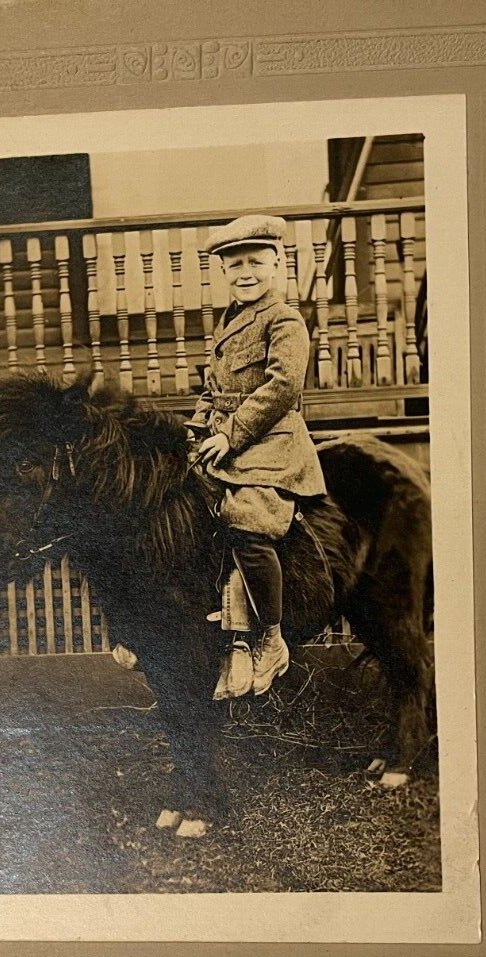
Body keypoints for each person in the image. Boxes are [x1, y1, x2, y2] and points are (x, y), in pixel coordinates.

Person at [188, 214, 327, 700]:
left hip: (272, 445)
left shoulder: (285, 319)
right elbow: (213, 389)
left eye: (256, 263)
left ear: (277, 264)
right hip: (230, 443)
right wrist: (197, 431)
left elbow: (283, 386)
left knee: (246, 524)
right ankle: (234, 640)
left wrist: (229, 434)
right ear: (223, 274)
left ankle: (271, 638)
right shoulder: (228, 322)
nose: (246, 273)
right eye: (235, 266)